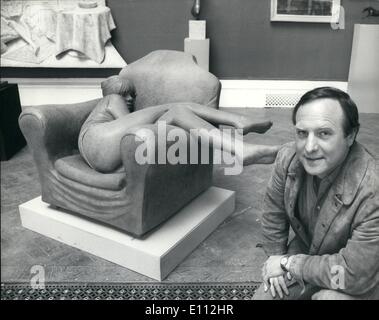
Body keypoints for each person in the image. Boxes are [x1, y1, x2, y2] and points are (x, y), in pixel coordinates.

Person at [254, 87, 379, 300]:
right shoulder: (288, 157)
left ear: (350, 135)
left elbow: (354, 275)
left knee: (328, 299)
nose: (309, 147)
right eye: (302, 133)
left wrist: (289, 263)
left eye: (324, 133)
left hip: (360, 273)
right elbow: (273, 212)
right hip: (311, 252)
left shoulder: (373, 190)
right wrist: (276, 255)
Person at [78, 75, 280, 173]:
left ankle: (238, 147)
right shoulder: (111, 100)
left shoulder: (115, 113)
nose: (129, 98)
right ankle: (239, 123)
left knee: (178, 112)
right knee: (175, 107)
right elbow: (127, 127)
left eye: (132, 94)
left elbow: (131, 134)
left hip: (104, 156)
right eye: (125, 94)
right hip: (98, 142)